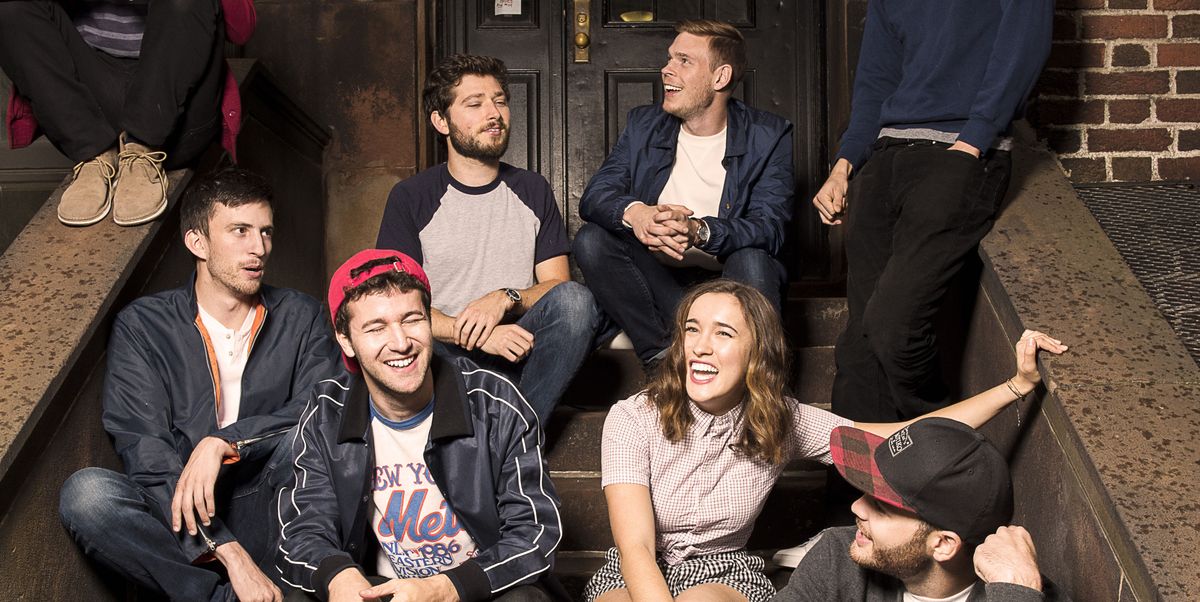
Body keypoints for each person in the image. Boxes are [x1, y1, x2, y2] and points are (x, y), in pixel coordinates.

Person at [582, 279, 1066, 602]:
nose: (700, 345)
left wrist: (1014, 387)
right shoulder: (633, 418)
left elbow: (903, 438)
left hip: (721, 571)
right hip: (635, 565)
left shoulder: (780, 419)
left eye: (723, 333)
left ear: (756, 354)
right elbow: (637, 549)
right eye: (692, 329)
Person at [58, 168, 341, 602]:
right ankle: (220, 597)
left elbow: (319, 410)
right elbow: (145, 448)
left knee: (302, 444)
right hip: (182, 507)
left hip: (266, 499)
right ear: (198, 242)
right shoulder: (143, 325)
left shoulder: (301, 315)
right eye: (240, 231)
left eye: (265, 232)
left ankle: (271, 582)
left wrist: (225, 441)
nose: (258, 248)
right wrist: (226, 551)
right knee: (89, 494)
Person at [273, 249, 563, 602]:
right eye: (376, 327)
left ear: (430, 321)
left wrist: (446, 588)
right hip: (381, 590)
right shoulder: (326, 413)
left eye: (411, 319)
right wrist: (339, 577)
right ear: (346, 340)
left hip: (474, 589)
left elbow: (536, 532)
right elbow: (303, 529)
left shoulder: (495, 404)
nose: (400, 343)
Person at [813, 1, 1054, 425]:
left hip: (957, 153)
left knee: (895, 326)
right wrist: (845, 163)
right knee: (859, 347)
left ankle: (940, 446)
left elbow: (1021, 49)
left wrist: (973, 140)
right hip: (883, 159)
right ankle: (853, 490)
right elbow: (874, 81)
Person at [376, 53, 602, 423]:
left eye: (499, 101)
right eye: (474, 103)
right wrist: (478, 335)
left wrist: (505, 299)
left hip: (518, 349)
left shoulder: (532, 189)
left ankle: (516, 433)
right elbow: (393, 306)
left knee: (578, 302)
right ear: (441, 121)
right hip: (445, 356)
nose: (493, 113)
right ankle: (515, 440)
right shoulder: (411, 197)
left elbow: (557, 286)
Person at [573, 19, 794, 367]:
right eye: (670, 58)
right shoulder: (644, 124)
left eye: (683, 61)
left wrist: (699, 231)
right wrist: (638, 214)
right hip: (663, 286)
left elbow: (771, 228)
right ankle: (661, 358)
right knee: (591, 240)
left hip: (729, 285)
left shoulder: (769, 135)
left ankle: (758, 375)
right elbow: (596, 195)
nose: (666, 70)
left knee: (752, 257)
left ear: (720, 77)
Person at [0, 0, 253, 227]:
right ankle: (95, 157)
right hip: (93, 108)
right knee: (10, 7)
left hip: (176, 113)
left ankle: (141, 151)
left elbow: (242, 29)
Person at [771, 417, 1070, 601]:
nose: (856, 507)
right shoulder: (838, 556)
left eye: (882, 507)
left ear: (942, 544)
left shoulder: (1022, 596)